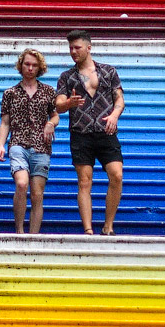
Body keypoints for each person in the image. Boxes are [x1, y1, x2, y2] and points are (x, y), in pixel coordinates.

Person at [54, 31, 126, 235]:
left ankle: (108, 226)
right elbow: (58, 105)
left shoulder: (108, 72)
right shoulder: (67, 77)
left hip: (106, 131)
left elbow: (120, 100)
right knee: (84, 181)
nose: (73, 52)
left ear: (88, 47)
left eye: (77, 47)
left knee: (117, 175)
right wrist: (69, 103)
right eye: (70, 48)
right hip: (81, 133)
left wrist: (114, 115)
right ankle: (88, 229)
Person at [0, 48, 58, 233]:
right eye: (27, 64)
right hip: (18, 143)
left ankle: (33, 236)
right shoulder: (10, 93)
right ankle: (19, 231)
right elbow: (5, 122)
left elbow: (56, 116)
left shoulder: (48, 91)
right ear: (21, 65)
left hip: (41, 146)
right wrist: (1, 144)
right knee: (22, 184)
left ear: (39, 68)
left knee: (38, 194)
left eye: (34, 65)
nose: (30, 68)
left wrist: (51, 124)